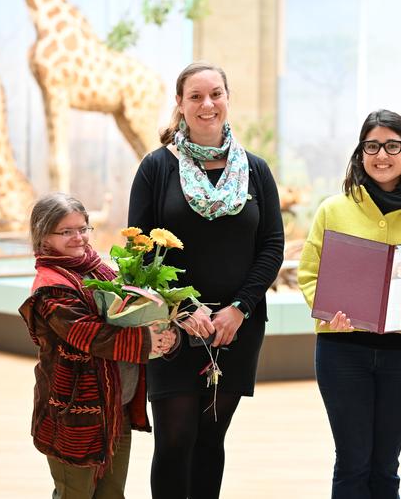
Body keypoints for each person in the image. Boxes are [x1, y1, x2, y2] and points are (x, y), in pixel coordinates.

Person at [128, 61, 284, 499]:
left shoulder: (256, 170)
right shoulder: (157, 168)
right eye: (195, 96)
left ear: (228, 100)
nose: (207, 104)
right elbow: (138, 251)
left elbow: (271, 246)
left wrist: (241, 308)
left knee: (211, 438)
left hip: (237, 326)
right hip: (172, 324)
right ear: (179, 104)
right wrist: (180, 306)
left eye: (215, 94)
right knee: (175, 439)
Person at [298, 109, 401, 498]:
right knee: (352, 464)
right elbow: (309, 274)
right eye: (372, 146)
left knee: (386, 467)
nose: (381, 155)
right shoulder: (332, 209)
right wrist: (325, 309)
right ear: (360, 153)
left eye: (391, 145)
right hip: (341, 351)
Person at [19, 192, 177, 498]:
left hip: (115, 407)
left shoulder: (97, 269)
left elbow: (128, 311)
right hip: (76, 412)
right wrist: (147, 341)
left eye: (83, 228)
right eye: (66, 231)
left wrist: (165, 326)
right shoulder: (51, 286)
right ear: (43, 236)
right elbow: (87, 335)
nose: (78, 238)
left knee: (112, 493)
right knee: (75, 493)